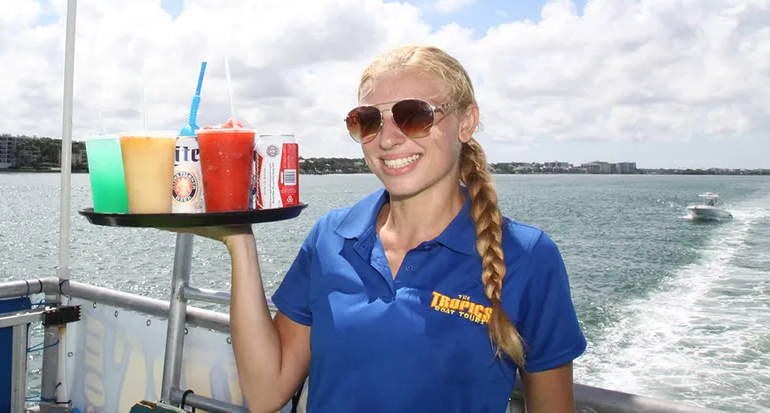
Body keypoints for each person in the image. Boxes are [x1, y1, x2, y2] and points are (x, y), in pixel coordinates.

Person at [189, 44, 587, 412]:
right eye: (368, 121)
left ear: (466, 122)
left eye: (414, 115)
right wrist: (241, 242)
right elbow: (265, 393)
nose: (388, 139)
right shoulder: (331, 238)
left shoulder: (527, 256)